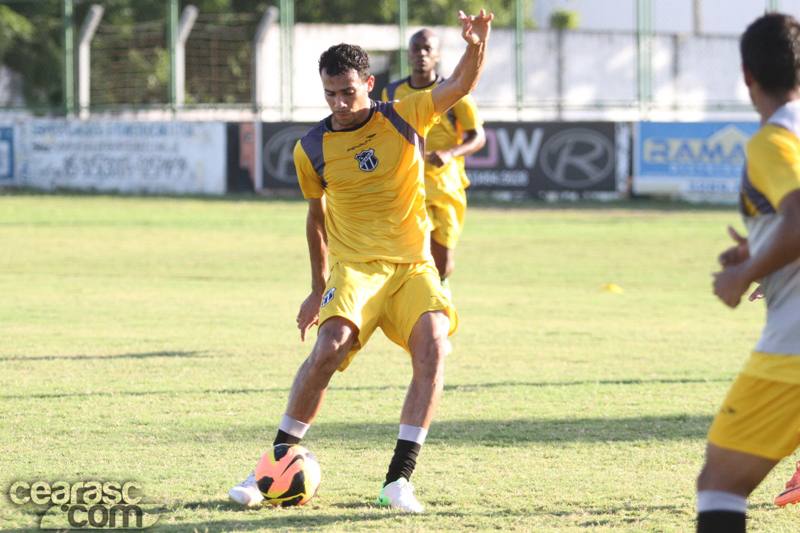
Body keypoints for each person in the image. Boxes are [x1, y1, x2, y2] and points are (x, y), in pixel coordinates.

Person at [229, 9, 493, 513]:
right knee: (328, 349)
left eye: (348, 91)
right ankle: (271, 468)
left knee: (434, 346)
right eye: (330, 93)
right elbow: (315, 217)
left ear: (368, 83)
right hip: (355, 269)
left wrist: (475, 44)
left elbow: (460, 82)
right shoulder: (312, 147)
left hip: (413, 266)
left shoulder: (406, 113)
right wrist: (315, 286)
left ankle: (398, 481)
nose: (339, 103)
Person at [696, 12, 800, 533]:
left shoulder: (771, 141)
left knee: (720, 483)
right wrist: (759, 250)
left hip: (793, 349)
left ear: (746, 75)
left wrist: (744, 274)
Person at [381, 28, 485, 298]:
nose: (421, 54)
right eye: (416, 48)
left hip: (446, 184)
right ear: (408, 54)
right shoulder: (392, 91)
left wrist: (450, 153)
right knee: (416, 251)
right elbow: (386, 134)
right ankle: (419, 305)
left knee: (443, 263)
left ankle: (441, 293)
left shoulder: (453, 91)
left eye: (428, 49)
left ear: (437, 54)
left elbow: (478, 137)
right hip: (411, 183)